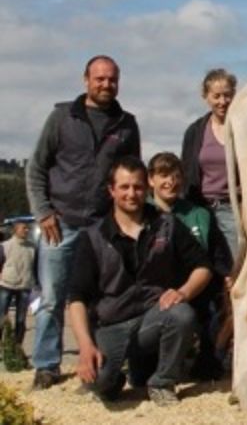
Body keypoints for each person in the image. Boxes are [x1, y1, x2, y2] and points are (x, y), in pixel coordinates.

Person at [26, 55, 141, 389]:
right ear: (86, 80)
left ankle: (98, 359)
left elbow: (132, 174)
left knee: (101, 298)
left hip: (101, 227)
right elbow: (36, 167)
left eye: (112, 79)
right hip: (60, 223)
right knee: (52, 297)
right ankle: (46, 364)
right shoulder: (62, 117)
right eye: (99, 78)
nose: (106, 84)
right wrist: (43, 211)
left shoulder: (126, 124)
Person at [67, 157, 212, 405]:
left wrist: (184, 292)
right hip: (110, 326)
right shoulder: (92, 237)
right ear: (111, 190)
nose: (131, 194)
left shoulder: (166, 225)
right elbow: (76, 297)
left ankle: (162, 382)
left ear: (146, 188)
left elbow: (203, 267)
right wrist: (85, 345)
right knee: (101, 384)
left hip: (153, 320)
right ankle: (115, 378)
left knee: (182, 314)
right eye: (124, 187)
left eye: (137, 187)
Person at [147, 152, 232, 380]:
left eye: (176, 176)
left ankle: (209, 361)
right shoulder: (141, 213)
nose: (171, 182)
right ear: (151, 180)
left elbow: (216, 252)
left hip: (195, 286)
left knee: (217, 303)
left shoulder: (199, 214)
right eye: (164, 175)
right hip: (152, 290)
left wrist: (227, 275)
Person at [181, 69, 238, 257]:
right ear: (206, 96)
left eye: (227, 95)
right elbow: (186, 171)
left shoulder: (242, 129)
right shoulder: (195, 131)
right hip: (200, 208)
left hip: (233, 210)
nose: (223, 101)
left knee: (233, 264)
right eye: (217, 96)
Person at [0, 221, 36, 347]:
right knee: (1, 317)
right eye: (23, 228)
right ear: (15, 230)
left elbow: (35, 267)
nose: (26, 230)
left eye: (27, 228)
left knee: (21, 319)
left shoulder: (32, 247)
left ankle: (17, 347)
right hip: (6, 284)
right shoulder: (5, 246)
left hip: (25, 286)